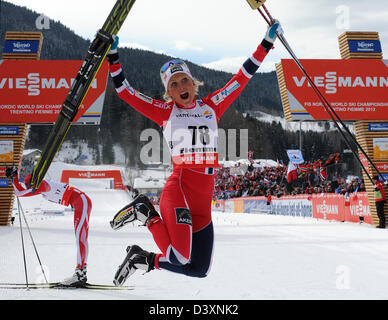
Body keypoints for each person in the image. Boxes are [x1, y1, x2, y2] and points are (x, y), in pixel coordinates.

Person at [108, 20, 283, 286]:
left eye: (184, 80)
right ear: (168, 92)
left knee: (198, 268)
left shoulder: (213, 105)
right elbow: (125, 91)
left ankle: (141, 259)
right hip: (180, 188)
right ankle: (146, 213)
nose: (181, 88)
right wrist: (113, 57)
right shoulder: (165, 112)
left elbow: (242, 77)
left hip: (203, 199)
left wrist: (266, 43)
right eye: (174, 85)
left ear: (193, 82)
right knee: (179, 256)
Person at [6, 166, 92, 286]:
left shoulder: (43, 185)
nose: (30, 188)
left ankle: (80, 273)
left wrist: (15, 178)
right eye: (28, 186)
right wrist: (14, 177)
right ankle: (81, 272)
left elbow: (19, 193)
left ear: (33, 182)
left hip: (81, 201)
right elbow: (20, 191)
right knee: (80, 238)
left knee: (81, 238)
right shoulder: (42, 186)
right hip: (79, 202)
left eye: (29, 185)